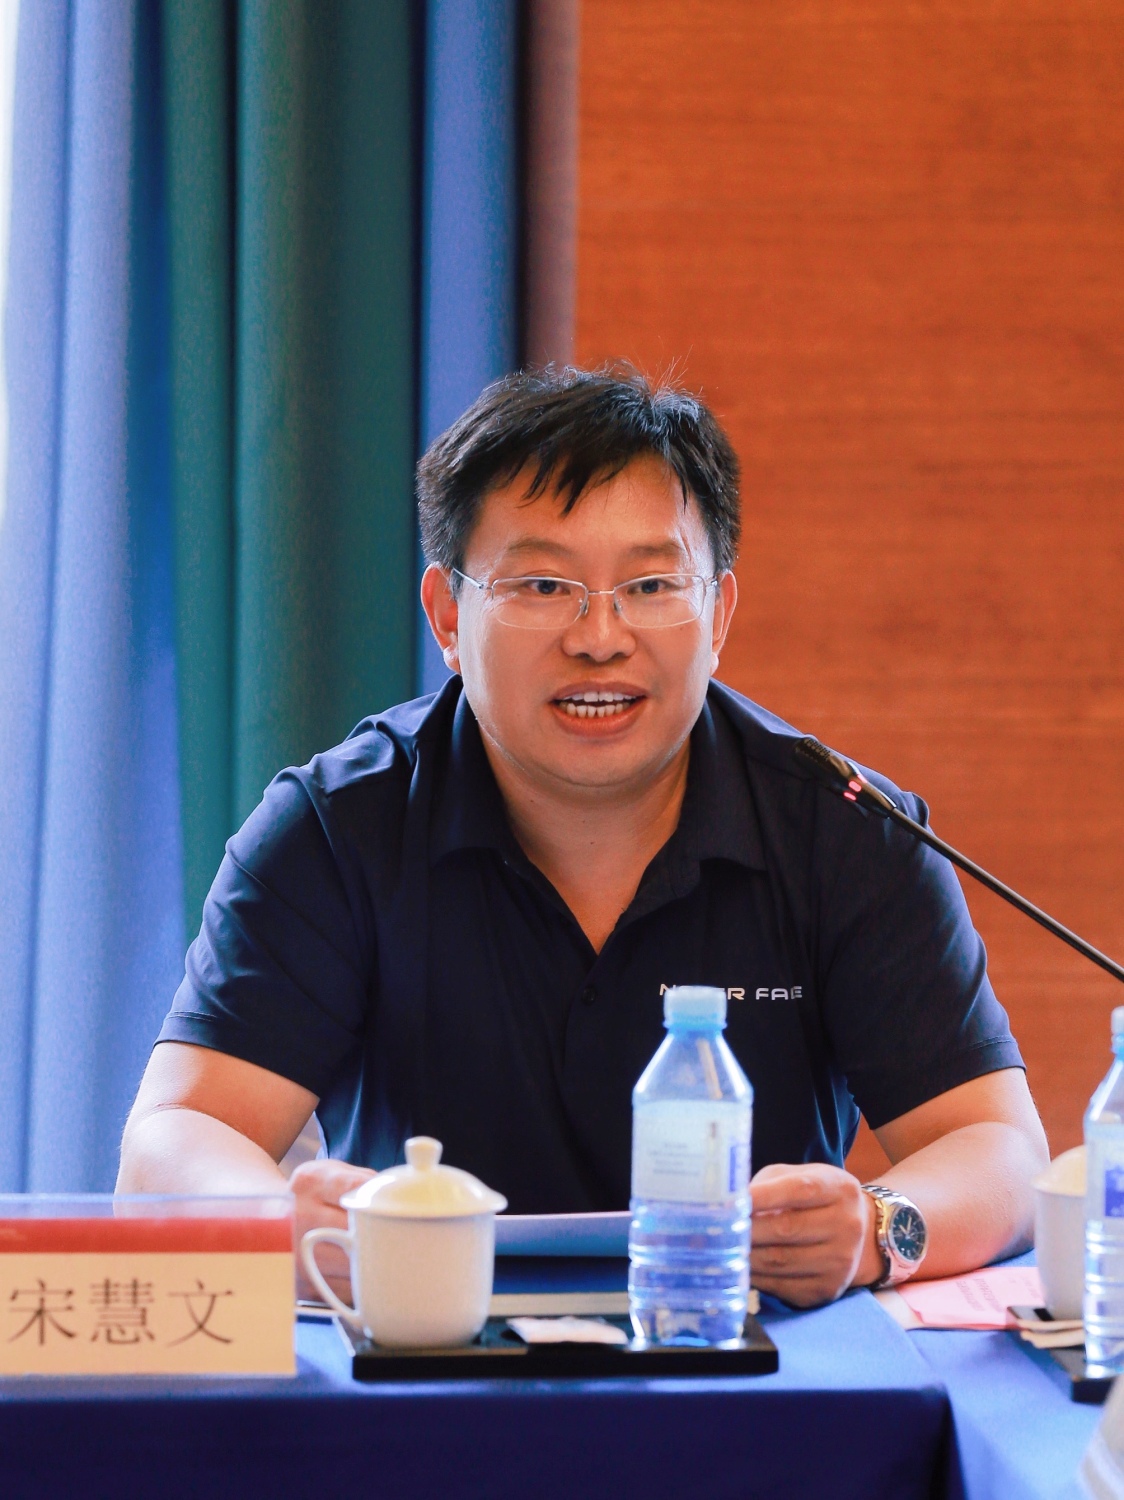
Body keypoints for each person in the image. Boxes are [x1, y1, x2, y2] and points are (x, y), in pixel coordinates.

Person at [118, 365, 1048, 1308]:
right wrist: (274, 1217)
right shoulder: (336, 827)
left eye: (650, 584)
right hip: (422, 1351)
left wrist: (879, 1229)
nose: (600, 637)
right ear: (448, 615)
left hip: (752, 1360)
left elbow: (997, 1147)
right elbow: (174, 1137)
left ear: (718, 615)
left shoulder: (845, 829)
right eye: (543, 584)